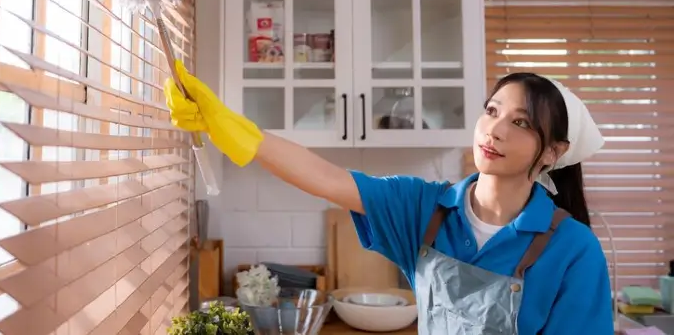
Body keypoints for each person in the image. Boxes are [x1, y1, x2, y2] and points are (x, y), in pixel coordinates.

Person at [163, 61, 614, 334]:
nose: (493, 130)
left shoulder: (573, 250)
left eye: (520, 123)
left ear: (553, 152)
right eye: (492, 111)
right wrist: (224, 125)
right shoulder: (425, 209)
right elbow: (325, 178)